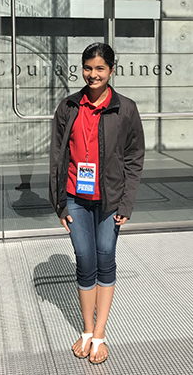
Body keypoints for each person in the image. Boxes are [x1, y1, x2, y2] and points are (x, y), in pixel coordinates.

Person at [49, 42, 145, 364]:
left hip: (110, 200)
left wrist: (126, 204)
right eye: (88, 68)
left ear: (112, 70)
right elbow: (56, 158)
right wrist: (59, 202)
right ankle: (87, 331)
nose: (93, 74)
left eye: (100, 68)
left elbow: (134, 158)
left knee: (105, 259)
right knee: (84, 259)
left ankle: (101, 334)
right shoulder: (68, 107)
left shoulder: (126, 109)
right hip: (76, 197)